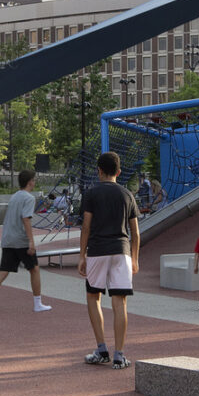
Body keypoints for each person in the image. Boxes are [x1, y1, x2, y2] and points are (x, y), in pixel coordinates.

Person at [78, 152, 139, 369]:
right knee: (120, 301)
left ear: (99, 171)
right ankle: (119, 355)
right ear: (119, 172)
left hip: (97, 250)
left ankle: (101, 348)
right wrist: (135, 258)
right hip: (121, 250)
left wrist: (81, 255)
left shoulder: (91, 193)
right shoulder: (128, 195)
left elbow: (86, 226)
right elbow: (135, 232)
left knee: (93, 297)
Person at [0, 169, 50, 315]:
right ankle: (37, 303)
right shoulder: (29, 198)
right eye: (34, 179)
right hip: (21, 240)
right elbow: (26, 218)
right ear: (30, 182)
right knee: (34, 269)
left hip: (8, 239)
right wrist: (31, 241)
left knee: (3, 271)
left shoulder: (14, 197)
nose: (35, 182)